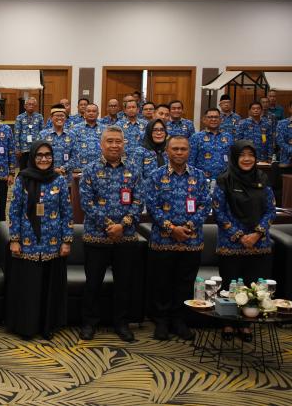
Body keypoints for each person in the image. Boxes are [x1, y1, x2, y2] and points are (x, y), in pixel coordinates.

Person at [79, 126, 143, 342]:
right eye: (110, 141)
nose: (114, 145)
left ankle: (121, 323)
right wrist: (109, 225)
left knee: (124, 284)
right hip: (96, 236)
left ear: (124, 144)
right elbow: (86, 203)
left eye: (118, 141)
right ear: (101, 144)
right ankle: (89, 323)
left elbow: (138, 201)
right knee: (93, 283)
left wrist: (122, 226)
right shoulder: (89, 170)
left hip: (126, 237)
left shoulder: (134, 170)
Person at [6, 140, 72, 340]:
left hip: (53, 243)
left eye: (48, 155)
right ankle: (27, 327)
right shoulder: (23, 179)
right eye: (39, 155)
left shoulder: (59, 181)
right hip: (28, 243)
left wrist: (66, 241)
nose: (44, 159)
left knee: (48, 288)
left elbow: (66, 212)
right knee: (29, 288)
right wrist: (14, 239)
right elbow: (14, 211)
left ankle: (47, 326)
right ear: (33, 157)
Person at [145, 135, 210, 341]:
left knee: (185, 283)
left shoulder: (199, 176)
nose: (179, 152)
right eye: (175, 149)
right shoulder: (156, 176)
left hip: (191, 240)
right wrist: (172, 229)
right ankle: (162, 321)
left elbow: (205, 205)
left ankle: (179, 320)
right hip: (163, 241)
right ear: (167, 151)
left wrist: (188, 227)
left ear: (189, 151)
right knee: (161, 283)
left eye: (183, 149)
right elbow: (152, 206)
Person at [213, 140, 276, 341]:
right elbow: (219, 212)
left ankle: (246, 324)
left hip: (259, 243)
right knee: (230, 284)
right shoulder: (224, 180)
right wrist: (240, 236)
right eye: (242, 155)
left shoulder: (263, 178)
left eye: (251, 155)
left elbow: (270, 210)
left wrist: (256, 234)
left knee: (254, 285)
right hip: (230, 243)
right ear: (234, 157)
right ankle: (228, 323)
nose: (247, 159)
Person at [189, 108, 233, 180]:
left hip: (224, 179)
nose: (213, 119)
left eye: (216, 117)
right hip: (202, 179)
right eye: (210, 117)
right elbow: (191, 161)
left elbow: (232, 159)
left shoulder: (228, 137)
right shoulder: (196, 137)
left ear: (220, 120)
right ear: (204, 120)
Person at [39, 104, 76, 175]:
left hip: (66, 174)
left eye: (62, 116)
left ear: (65, 118)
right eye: (57, 116)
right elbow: (38, 155)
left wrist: (63, 168)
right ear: (51, 117)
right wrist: (53, 169)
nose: (59, 118)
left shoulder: (72, 135)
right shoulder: (43, 135)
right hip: (47, 174)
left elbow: (75, 156)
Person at [70, 103, 105, 171]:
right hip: (80, 168)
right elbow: (70, 148)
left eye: (94, 111)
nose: (91, 113)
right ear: (84, 114)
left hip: (100, 168)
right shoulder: (75, 129)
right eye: (88, 111)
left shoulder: (105, 129)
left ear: (98, 114)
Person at [14, 96, 44, 170]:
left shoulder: (39, 117)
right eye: (29, 104)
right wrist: (17, 148)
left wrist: (42, 147)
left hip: (36, 148)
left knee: (36, 168)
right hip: (23, 149)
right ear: (25, 106)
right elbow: (16, 134)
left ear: (35, 106)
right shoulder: (19, 117)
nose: (31, 106)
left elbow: (42, 132)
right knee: (23, 169)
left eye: (33, 104)